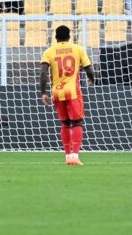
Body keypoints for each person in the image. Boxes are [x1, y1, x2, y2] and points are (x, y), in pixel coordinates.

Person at [39, 25, 95, 166]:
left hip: (57, 92)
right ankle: (75, 156)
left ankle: (68, 156)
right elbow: (89, 68)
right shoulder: (78, 49)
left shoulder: (48, 52)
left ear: (55, 37)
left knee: (65, 123)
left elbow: (43, 72)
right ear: (69, 36)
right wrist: (92, 79)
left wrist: (43, 92)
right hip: (73, 92)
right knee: (77, 122)